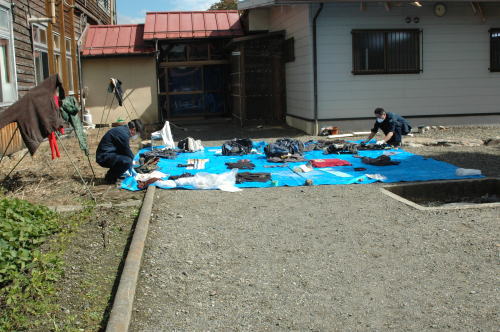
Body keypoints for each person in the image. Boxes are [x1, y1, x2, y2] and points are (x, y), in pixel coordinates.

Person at [96, 119, 144, 184]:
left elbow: (125, 150)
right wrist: (136, 164)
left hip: (109, 153)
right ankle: (110, 178)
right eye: (137, 132)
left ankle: (112, 175)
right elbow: (127, 151)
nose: (136, 135)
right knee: (127, 161)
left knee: (127, 159)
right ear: (133, 129)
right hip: (104, 157)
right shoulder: (123, 134)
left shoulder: (123, 130)